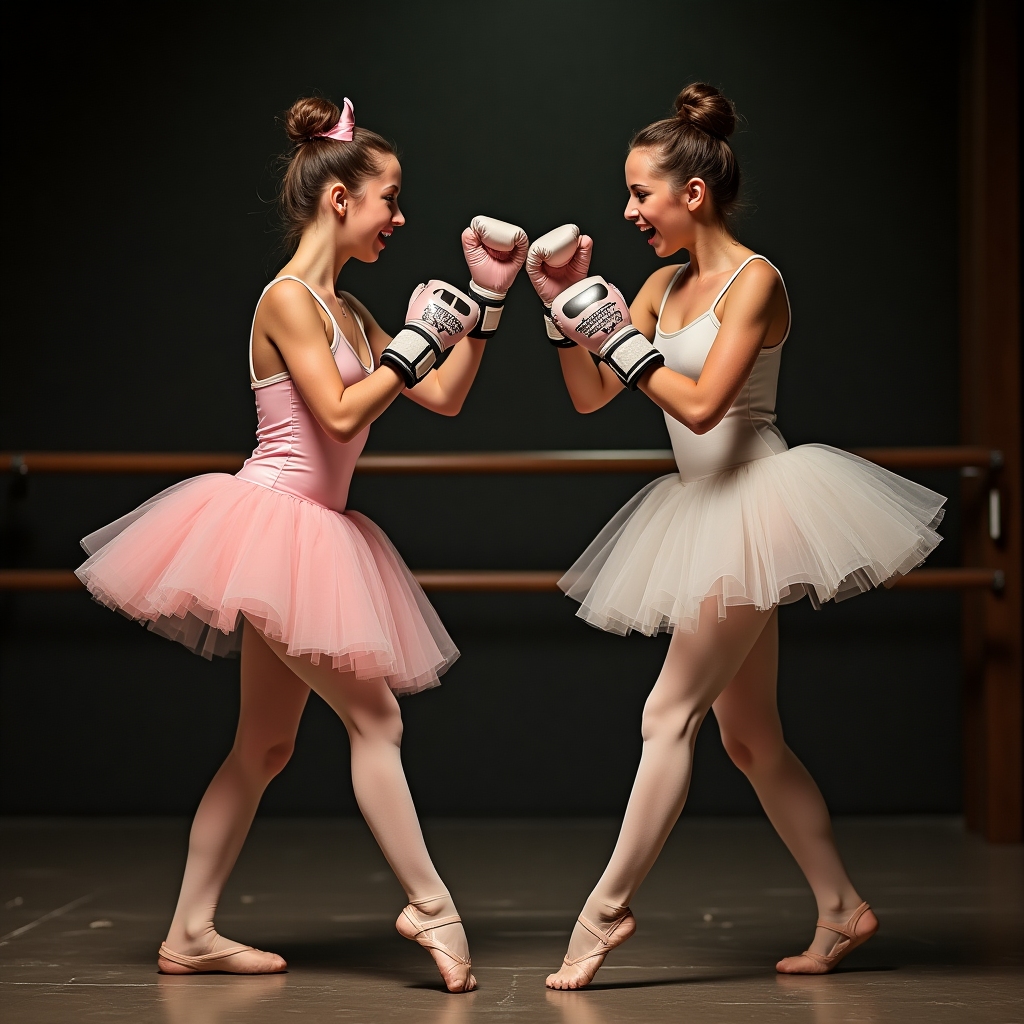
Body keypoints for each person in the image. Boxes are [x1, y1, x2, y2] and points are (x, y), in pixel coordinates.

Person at [76, 95, 528, 993]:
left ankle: (190, 932)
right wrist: (410, 344)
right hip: (273, 523)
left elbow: (444, 398)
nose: (400, 218)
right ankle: (431, 906)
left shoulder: (350, 310)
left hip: (315, 534)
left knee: (264, 748)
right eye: (389, 198)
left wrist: (485, 302)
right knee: (377, 720)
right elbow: (338, 409)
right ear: (338, 199)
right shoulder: (286, 300)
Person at [526, 82, 945, 990]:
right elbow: (592, 395)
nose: (628, 210)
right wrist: (563, 313)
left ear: (693, 193)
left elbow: (708, 405)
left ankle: (605, 913)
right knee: (749, 737)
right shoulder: (659, 285)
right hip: (701, 511)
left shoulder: (757, 281)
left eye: (641, 193)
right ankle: (841, 906)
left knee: (665, 714)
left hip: (758, 501)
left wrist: (611, 334)